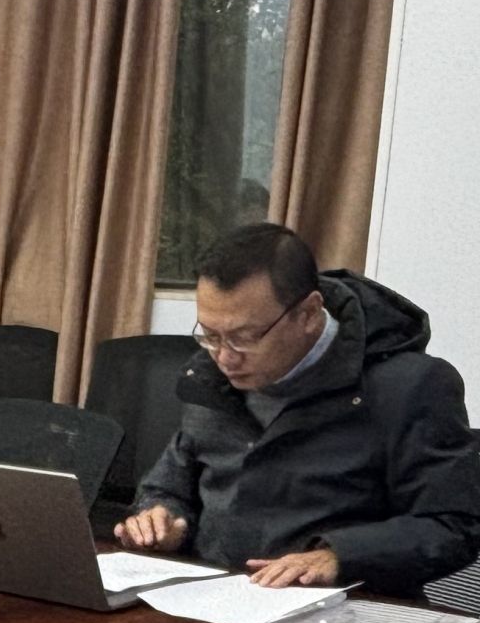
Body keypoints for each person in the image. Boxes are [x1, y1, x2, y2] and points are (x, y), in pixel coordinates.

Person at [117, 222, 480, 594]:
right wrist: (162, 518)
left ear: (308, 313)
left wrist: (339, 558)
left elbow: (453, 524)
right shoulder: (211, 378)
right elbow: (169, 486)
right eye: (210, 335)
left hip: (342, 608)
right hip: (215, 599)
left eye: (245, 337)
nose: (224, 356)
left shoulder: (407, 387)